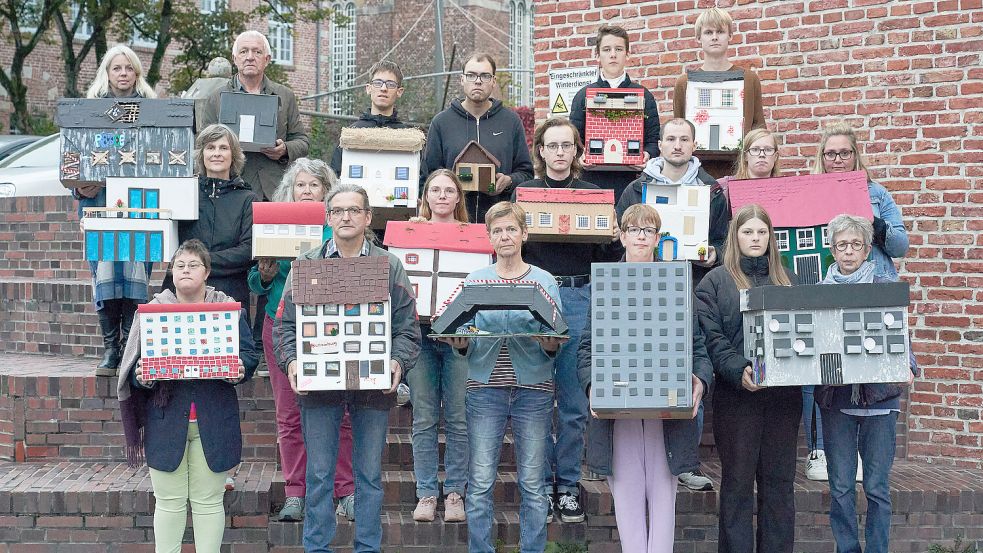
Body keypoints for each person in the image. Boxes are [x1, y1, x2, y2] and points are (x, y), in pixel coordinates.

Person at [274, 183, 421, 553]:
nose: (346, 217)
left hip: (372, 385)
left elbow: (407, 327)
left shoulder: (389, 265)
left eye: (354, 210)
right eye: (338, 211)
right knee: (320, 475)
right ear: (328, 217)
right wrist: (292, 362)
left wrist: (397, 362)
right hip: (319, 386)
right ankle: (317, 548)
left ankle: (367, 548)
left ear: (368, 217)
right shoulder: (307, 265)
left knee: (368, 476)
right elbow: (285, 326)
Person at [576, 203, 711, 552]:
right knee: (627, 500)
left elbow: (696, 346)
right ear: (621, 236)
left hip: (666, 410)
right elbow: (587, 349)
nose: (640, 236)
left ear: (657, 238)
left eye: (648, 230)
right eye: (633, 229)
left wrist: (699, 379)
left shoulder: (677, 281)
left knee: (664, 500)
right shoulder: (605, 283)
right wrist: (593, 386)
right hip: (617, 409)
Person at [116, 239, 260, 553]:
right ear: (172, 273)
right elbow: (135, 368)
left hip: (213, 416)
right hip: (167, 418)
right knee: (168, 502)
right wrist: (142, 378)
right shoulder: (152, 312)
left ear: (207, 272)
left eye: (193, 265)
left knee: (208, 502)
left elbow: (249, 356)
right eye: (179, 265)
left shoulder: (229, 309)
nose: (185, 270)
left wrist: (240, 369)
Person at [437, 201, 565, 553]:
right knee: (478, 483)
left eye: (511, 229)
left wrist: (550, 343)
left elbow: (556, 338)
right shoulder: (476, 280)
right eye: (497, 230)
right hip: (484, 388)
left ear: (524, 234)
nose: (505, 236)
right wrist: (460, 344)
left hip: (534, 390)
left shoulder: (544, 281)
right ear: (489, 237)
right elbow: (461, 332)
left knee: (533, 484)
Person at [513, 116, 623, 523]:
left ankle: (568, 484)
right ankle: (540, 484)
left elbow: (608, 260)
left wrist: (612, 239)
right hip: (536, 295)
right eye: (552, 145)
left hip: (580, 295)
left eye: (567, 145)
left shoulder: (595, 196)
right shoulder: (527, 197)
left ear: (577, 151)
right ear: (540, 151)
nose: (560, 153)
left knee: (575, 403)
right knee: (536, 397)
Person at [615, 117, 727, 491]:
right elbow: (624, 232)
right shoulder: (637, 188)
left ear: (694, 146)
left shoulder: (712, 191)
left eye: (684, 139)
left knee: (687, 366)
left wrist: (714, 253)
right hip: (640, 289)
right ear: (659, 145)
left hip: (692, 287)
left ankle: (686, 461)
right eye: (670, 139)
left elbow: (727, 242)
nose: (677, 145)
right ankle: (629, 457)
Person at [246, 158, 357, 522]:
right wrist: (263, 274)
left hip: (329, 327)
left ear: (327, 191)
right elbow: (256, 283)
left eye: (314, 185)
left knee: (338, 410)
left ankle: (346, 490)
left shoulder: (338, 225)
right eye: (300, 185)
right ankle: (296, 491)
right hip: (282, 325)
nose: (307, 190)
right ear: (289, 190)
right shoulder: (275, 225)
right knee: (288, 413)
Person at [695, 204, 799, 553]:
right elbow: (712, 337)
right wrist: (738, 369)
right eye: (747, 232)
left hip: (783, 399)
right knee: (737, 485)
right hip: (737, 397)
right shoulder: (715, 282)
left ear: (771, 237)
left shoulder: (790, 280)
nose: (755, 239)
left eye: (761, 232)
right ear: (734, 237)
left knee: (779, 486)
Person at [817, 214, 917, 553]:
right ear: (832, 250)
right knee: (841, 486)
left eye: (855, 245)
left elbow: (902, 334)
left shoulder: (884, 285)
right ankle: (847, 548)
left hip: (881, 399)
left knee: (876, 486)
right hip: (838, 400)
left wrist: (909, 365)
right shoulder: (819, 293)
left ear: (867, 249)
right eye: (842, 245)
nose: (848, 252)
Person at [76, 44, 157, 376]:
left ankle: (130, 345)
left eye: (129, 68)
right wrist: (79, 186)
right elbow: (74, 155)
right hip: (99, 202)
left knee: (135, 275)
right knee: (106, 275)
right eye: (116, 68)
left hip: (140, 204)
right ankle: (112, 349)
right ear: (106, 73)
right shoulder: (89, 113)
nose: (123, 74)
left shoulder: (154, 112)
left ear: (137, 73)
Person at [407, 169, 471, 523]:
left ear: (459, 198)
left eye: (449, 190)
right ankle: (427, 493)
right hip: (419, 332)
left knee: (459, 417)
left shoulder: (472, 236)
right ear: (426, 196)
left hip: (459, 335)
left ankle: (455, 493)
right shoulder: (410, 232)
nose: (443, 196)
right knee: (425, 415)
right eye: (436, 190)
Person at [422, 53, 534, 222]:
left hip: (499, 223)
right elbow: (428, 176)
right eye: (471, 75)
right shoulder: (442, 123)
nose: (478, 81)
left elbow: (526, 173)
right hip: (452, 223)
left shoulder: (510, 122)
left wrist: (508, 181)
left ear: (494, 81)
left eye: (485, 76)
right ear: (462, 80)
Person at [200, 30, 310, 201]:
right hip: (230, 188)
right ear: (235, 59)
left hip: (274, 190)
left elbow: (302, 141)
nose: (250, 57)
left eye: (257, 52)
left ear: (267, 59)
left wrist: (285, 150)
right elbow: (203, 145)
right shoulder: (217, 97)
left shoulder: (285, 95)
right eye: (244, 51)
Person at [167, 124, 256, 325]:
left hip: (230, 289)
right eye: (210, 147)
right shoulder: (182, 192)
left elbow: (249, 250)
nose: (217, 153)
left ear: (233, 155)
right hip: (183, 290)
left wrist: (199, 263)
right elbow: (157, 227)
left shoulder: (247, 199)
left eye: (223, 148)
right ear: (201, 154)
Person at [569, 25, 661, 200]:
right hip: (592, 182)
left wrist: (647, 155)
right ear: (597, 55)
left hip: (632, 182)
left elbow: (653, 139)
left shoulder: (644, 96)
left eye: (618, 49)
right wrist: (579, 157)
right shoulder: (583, 96)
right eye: (606, 49)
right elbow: (574, 138)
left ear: (627, 54)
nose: (613, 54)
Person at [812, 122, 909, 282]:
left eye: (844, 153)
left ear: (855, 155)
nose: (837, 160)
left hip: (876, 283)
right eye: (830, 154)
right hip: (828, 287)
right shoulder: (811, 196)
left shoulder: (877, 193)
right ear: (822, 157)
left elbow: (900, 248)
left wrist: (874, 223)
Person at [672, 7, 766, 140]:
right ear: (699, 38)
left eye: (720, 32)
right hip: (696, 159)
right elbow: (678, 129)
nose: (715, 37)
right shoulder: (684, 83)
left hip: (741, 159)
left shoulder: (749, 80)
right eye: (709, 32)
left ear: (730, 36)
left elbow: (759, 129)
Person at [330, 60, 412, 177]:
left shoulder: (408, 136)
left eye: (390, 84)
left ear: (399, 91)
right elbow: (335, 175)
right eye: (378, 83)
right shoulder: (351, 134)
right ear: (368, 88)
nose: (384, 88)